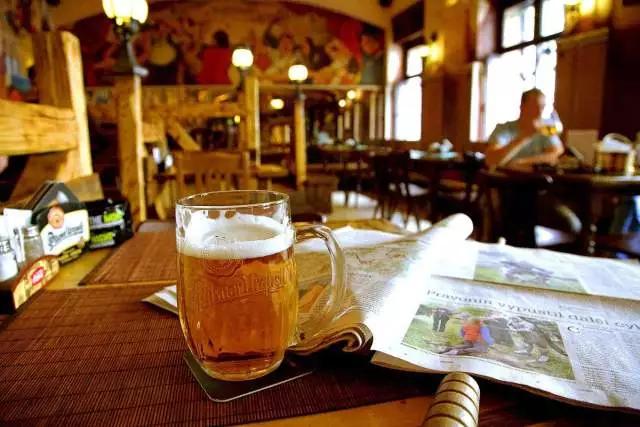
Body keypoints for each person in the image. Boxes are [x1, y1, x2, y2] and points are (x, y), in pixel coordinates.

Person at [485, 89, 564, 169]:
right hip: (505, 176)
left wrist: (522, 162)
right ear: (522, 106)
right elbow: (491, 160)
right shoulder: (503, 129)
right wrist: (525, 136)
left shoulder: (544, 129)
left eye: (542, 107)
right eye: (534, 107)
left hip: (533, 176)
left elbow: (557, 153)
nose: (539, 112)